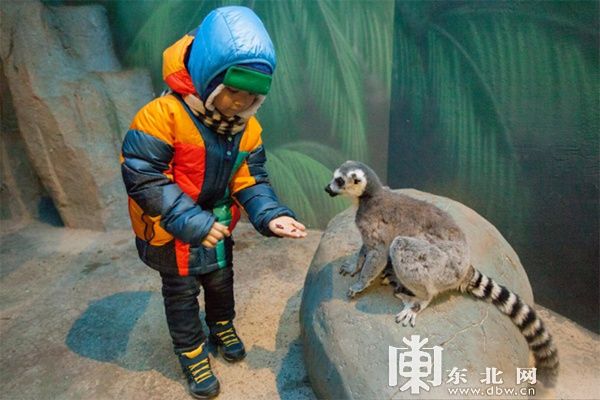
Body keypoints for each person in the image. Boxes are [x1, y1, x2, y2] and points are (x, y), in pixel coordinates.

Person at [120, 6, 306, 398]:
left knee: (221, 282)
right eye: (232, 91)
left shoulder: (248, 128)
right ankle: (191, 352)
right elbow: (144, 176)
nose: (239, 103)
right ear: (208, 80)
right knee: (182, 295)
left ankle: (222, 323)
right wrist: (189, 220)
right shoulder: (162, 116)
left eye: (251, 95)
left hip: (218, 223)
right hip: (171, 231)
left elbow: (250, 177)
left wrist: (270, 214)